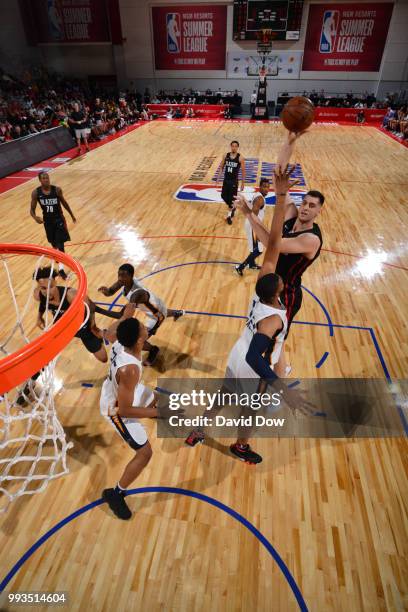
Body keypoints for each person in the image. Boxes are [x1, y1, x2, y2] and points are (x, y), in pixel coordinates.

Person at [186, 166, 313, 462]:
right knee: (250, 406)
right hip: (249, 361)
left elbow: (272, 246)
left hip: (236, 350)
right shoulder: (273, 318)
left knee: (223, 394)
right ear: (280, 290)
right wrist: (284, 389)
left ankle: (199, 429)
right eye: (283, 281)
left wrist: (277, 200)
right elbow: (255, 357)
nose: (283, 278)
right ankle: (240, 445)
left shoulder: (261, 285)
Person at [237, 132, 323, 377]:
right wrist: (290, 142)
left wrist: (249, 215)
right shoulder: (292, 212)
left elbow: (272, 244)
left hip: (287, 292)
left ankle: (279, 379)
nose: (305, 208)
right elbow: (279, 174)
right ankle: (276, 371)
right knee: (270, 340)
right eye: (305, 202)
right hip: (270, 280)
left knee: (276, 342)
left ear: (319, 211)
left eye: (312, 206)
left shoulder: (310, 239)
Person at [100, 316, 158, 520]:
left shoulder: (120, 341)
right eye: (142, 327)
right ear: (139, 341)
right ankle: (116, 494)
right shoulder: (130, 369)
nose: (145, 326)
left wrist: (128, 310)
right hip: (114, 409)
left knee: (154, 398)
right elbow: (124, 410)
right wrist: (155, 413)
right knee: (145, 453)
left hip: (115, 389)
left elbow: (108, 333)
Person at [98, 263, 184, 365]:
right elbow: (110, 291)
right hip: (157, 305)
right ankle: (176, 313)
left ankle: (153, 350)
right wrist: (106, 291)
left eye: (123, 276)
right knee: (160, 309)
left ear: (131, 276)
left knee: (136, 340)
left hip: (156, 317)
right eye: (119, 275)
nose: (120, 278)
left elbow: (123, 315)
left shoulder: (137, 294)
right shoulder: (124, 281)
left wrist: (98, 310)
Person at [34, 266, 108, 363]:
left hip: (81, 326)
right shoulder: (38, 295)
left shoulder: (71, 294)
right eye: (43, 288)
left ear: (55, 282)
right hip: (62, 325)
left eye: (50, 287)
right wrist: (39, 317)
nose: (47, 292)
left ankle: (99, 340)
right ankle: (35, 374)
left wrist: (93, 326)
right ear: (39, 287)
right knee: (46, 352)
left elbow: (90, 306)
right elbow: (43, 303)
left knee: (103, 358)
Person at [30, 171, 76, 279]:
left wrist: (72, 215)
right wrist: (35, 218)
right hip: (48, 221)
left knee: (60, 244)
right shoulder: (36, 193)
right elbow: (31, 210)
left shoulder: (57, 190)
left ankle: (61, 270)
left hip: (58, 219)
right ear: (40, 180)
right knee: (53, 243)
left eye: (47, 177)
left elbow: (64, 203)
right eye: (44, 178)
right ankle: (58, 258)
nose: (46, 179)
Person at [235, 178, 269, 275]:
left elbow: (251, 208)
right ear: (260, 187)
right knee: (259, 250)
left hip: (252, 224)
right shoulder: (260, 199)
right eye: (264, 186)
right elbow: (253, 216)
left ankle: (252, 264)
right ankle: (241, 267)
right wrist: (258, 232)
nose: (266, 189)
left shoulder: (257, 195)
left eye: (268, 187)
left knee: (254, 248)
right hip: (253, 225)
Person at [218, 140, 245, 225]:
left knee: (232, 199)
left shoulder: (240, 157)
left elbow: (243, 171)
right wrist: (218, 177)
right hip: (226, 180)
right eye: (232, 146)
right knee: (223, 196)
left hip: (234, 182)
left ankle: (229, 216)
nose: (234, 147)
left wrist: (243, 183)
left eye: (235, 146)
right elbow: (221, 167)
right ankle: (232, 207)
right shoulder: (226, 155)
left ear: (237, 147)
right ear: (230, 146)